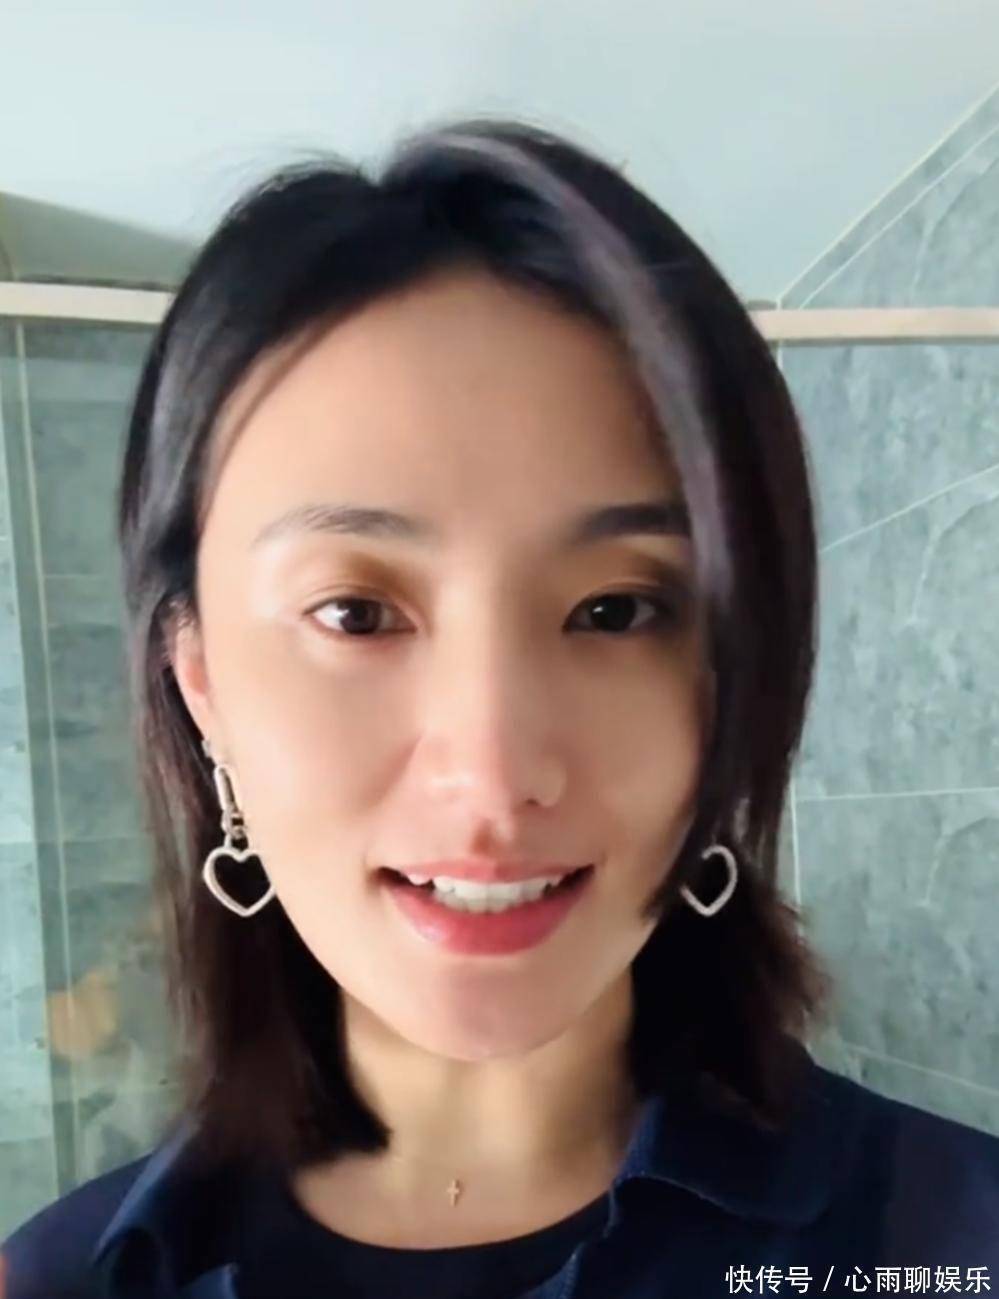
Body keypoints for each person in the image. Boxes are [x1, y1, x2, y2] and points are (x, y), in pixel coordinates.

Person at [3, 117, 998, 1299]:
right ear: (200, 680)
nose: (491, 775)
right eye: (356, 614)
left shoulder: (956, 1242)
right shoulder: (63, 1280)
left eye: (616, 610)